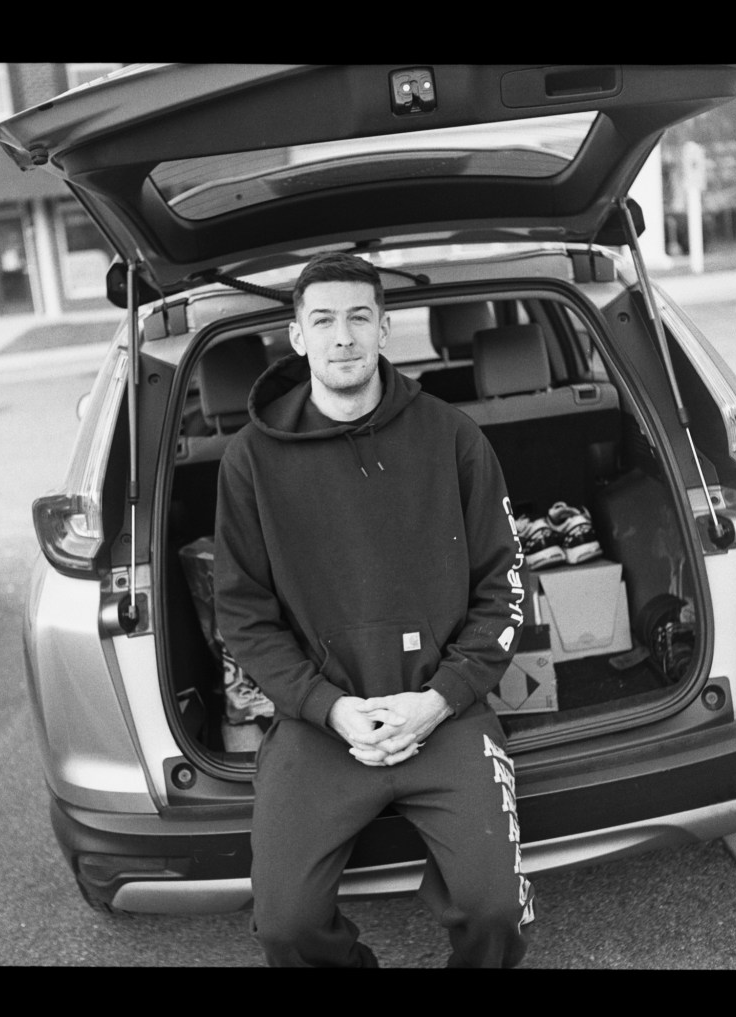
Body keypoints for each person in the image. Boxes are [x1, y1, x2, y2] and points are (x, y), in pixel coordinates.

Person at [214, 251, 534, 968]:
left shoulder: (452, 436)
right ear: (297, 335)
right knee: (286, 927)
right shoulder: (251, 459)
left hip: (443, 712)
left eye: (360, 317)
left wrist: (441, 698)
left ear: (385, 329)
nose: (343, 336)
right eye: (323, 319)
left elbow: (506, 581)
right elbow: (242, 612)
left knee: (497, 910)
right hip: (321, 724)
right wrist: (327, 707)